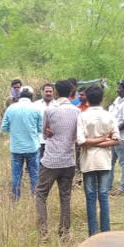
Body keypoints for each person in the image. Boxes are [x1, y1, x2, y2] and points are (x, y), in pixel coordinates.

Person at [36, 79, 79, 238]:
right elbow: (77, 135)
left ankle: (43, 232)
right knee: (65, 196)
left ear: (56, 92)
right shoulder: (76, 111)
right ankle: (64, 232)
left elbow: (44, 133)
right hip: (68, 160)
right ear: (70, 93)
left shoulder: (49, 110)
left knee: (41, 194)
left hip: (51, 159)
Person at [77, 85, 120, 235]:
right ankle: (106, 231)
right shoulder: (109, 116)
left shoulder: (82, 116)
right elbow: (116, 140)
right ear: (102, 98)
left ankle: (93, 233)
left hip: (88, 160)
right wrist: (103, 139)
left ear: (87, 98)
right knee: (103, 195)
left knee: (90, 196)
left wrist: (93, 141)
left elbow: (81, 141)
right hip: (104, 160)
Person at [2, 85, 43, 200]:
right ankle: (36, 199)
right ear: (32, 96)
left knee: (16, 175)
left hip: (16, 148)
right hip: (32, 148)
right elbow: (40, 129)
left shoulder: (11, 108)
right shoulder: (36, 108)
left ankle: (15, 199)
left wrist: (15, 130)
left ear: (19, 96)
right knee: (34, 174)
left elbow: (4, 128)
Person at [33, 83, 56, 161]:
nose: (48, 93)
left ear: (53, 92)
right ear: (42, 92)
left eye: (50, 91)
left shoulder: (58, 105)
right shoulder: (35, 105)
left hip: (53, 139)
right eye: (46, 91)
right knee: (38, 161)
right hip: (39, 139)